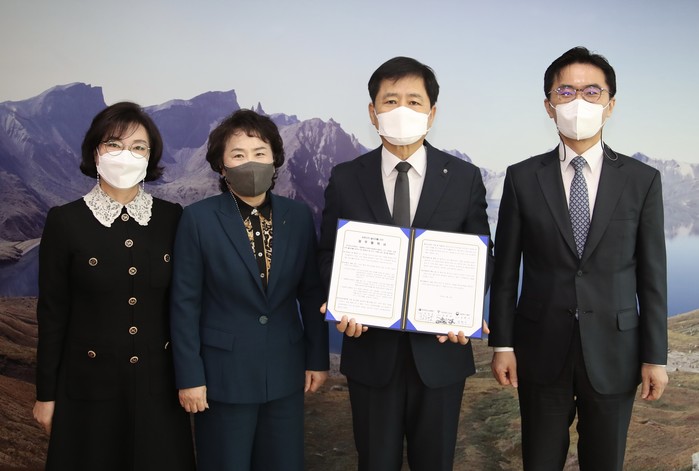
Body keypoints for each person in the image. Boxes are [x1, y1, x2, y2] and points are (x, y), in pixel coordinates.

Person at [488, 46, 669, 471]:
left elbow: (652, 276)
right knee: (540, 461)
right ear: (549, 105)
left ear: (610, 105)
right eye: (566, 91)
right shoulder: (522, 177)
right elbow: (506, 270)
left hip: (615, 351)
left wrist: (655, 356)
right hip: (539, 348)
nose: (578, 101)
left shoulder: (642, 180)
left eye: (591, 91)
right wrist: (503, 344)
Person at [318, 56, 492, 471]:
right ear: (372, 111)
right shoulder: (346, 177)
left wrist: (464, 310)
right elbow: (327, 253)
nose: (402, 110)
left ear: (432, 113)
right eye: (390, 100)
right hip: (370, 353)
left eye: (414, 101)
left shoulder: (464, 177)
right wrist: (341, 303)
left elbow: (481, 256)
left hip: (441, 353)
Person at [32, 102, 196, 470]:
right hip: (89, 391)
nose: (126, 155)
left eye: (138, 147)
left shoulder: (172, 218)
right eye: (114, 144)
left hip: (159, 392)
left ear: (150, 157)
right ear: (95, 152)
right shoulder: (65, 221)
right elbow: (53, 315)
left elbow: (186, 305)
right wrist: (46, 395)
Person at [170, 109, 329, 471]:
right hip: (222, 377)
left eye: (259, 153)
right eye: (238, 155)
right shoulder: (198, 219)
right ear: (221, 166)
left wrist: (317, 358)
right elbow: (184, 305)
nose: (250, 163)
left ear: (275, 159)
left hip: (285, 372)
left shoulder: (298, 216)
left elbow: (310, 292)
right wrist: (190, 376)